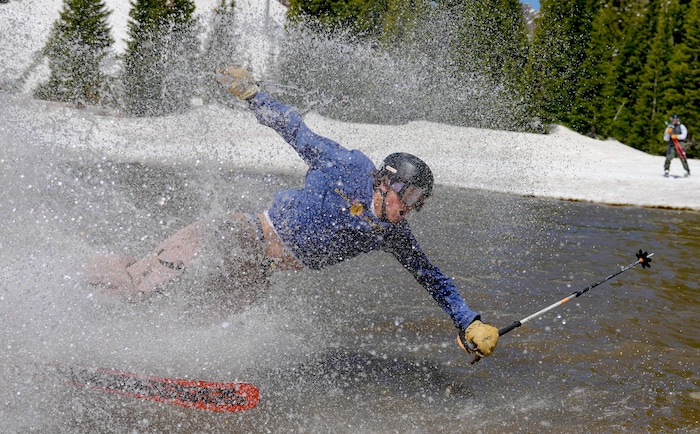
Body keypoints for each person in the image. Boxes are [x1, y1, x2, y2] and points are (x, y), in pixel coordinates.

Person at [84, 67, 499, 362]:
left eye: (419, 201)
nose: (410, 206)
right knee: (145, 285)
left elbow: (432, 277)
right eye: (408, 194)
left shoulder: (390, 233)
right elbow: (296, 130)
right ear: (384, 181)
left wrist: (468, 322)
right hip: (240, 234)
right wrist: (253, 96)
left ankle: (124, 357)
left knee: (186, 321)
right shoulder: (348, 166)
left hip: (258, 274)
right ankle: (78, 297)